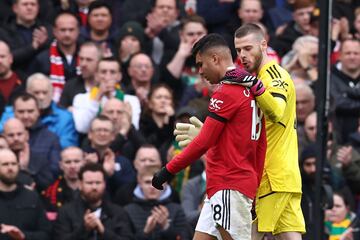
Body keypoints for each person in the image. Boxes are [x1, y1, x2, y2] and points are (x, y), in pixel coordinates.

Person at [174, 23, 305, 239]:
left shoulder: (273, 76)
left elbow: (278, 112)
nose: (242, 55)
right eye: (239, 50)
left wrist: (254, 84)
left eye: (248, 48)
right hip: (283, 177)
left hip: (270, 176)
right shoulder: (252, 80)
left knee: (246, 235)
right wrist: (209, 135)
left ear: (263, 45)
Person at [152, 33, 266, 239]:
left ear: (215, 59)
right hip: (228, 186)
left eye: (201, 64)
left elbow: (204, 141)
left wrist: (168, 170)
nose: (200, 71)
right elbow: (261, 145)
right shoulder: (251, 90)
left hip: (229, 185)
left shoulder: (226, 92)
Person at [54, 163, 135, 240]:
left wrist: (104, 231)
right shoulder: (65, 212)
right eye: (89, 183)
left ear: (104, 184)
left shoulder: (118, 212)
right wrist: (84, 229)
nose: (94, 187)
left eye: (98, 182)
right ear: (80, 184)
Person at [0, 148, 52, 240]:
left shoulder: (31, 197)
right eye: (5, 164)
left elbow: (46, 234)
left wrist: (23, 236)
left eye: (13, 164)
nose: (10, 168)